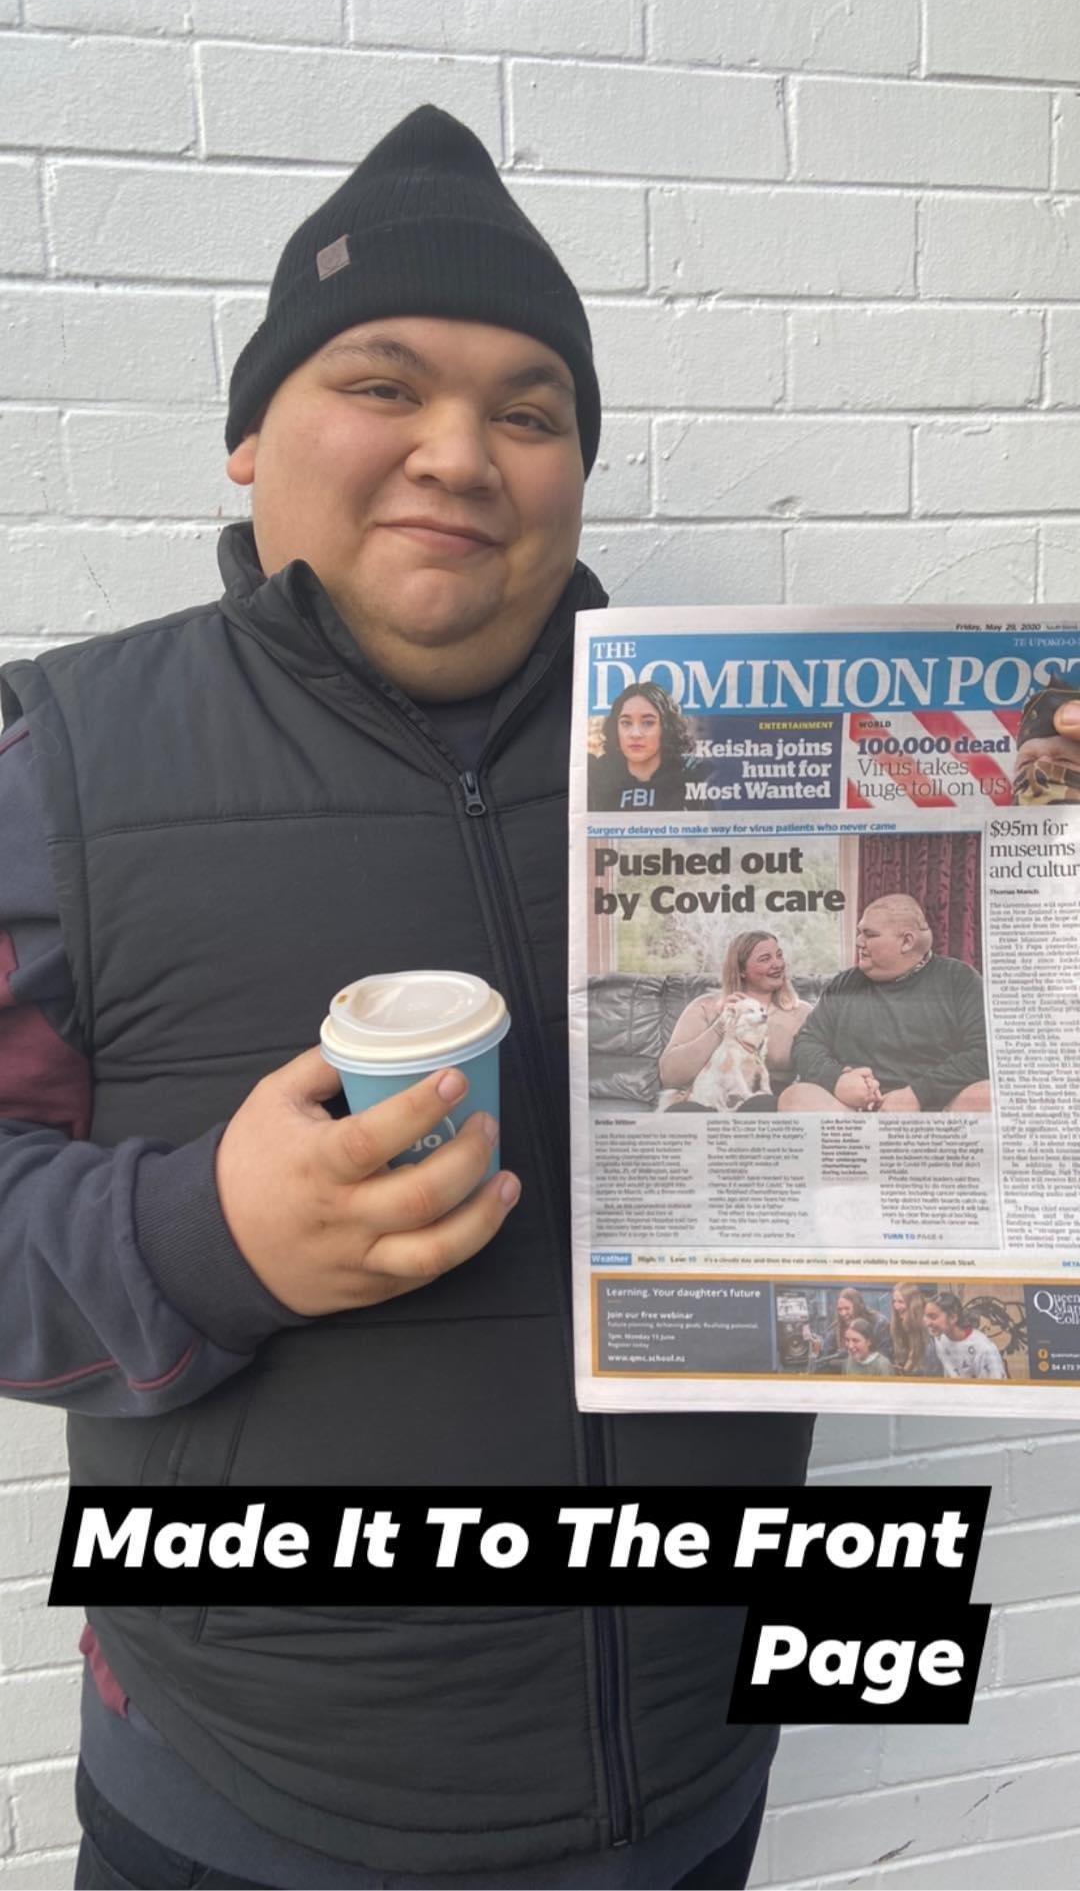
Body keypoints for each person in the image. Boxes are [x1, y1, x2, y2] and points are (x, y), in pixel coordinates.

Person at [0, 109, 813, 1891]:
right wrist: (205, 1237)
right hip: (251, 1817)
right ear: (249, 434)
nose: (460, 451)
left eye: (530, 410)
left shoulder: (743, 767)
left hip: (693, 1782)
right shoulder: (59, 766)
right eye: (383, 384)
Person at [779, 893, 991, 1115]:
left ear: (906, 942)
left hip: (934, 1111)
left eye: (869, 934)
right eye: (859, 932)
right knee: (796, 1097)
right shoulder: (844, 984)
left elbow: (985, 1051)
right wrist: (837, 1080)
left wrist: (918, 1094)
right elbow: (807, 1042)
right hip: (854, 1113)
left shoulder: (959, 979)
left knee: (988, 1095)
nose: (859, 941)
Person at [659, 931, 812, 1111]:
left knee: (759, 1105)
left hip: (767, 1103)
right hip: (710, 1100)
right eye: (765, 959)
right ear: (741, 970)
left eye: (779, 955)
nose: (777, 964)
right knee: (681, 1112)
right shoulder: (704, 1007)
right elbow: (669, 1076)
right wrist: (720, 1027)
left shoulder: (802, 1013)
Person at [588, 680, 700, 811]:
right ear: (615, 728)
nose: (635, 734)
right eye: (626, 723)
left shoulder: (692, 776)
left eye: (648, 723)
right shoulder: (594, 777)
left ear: (666, 727)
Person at [923, 1293, 1008, 1381]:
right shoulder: (940, 1337)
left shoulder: (985, 1349)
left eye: (933, 1317)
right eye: (925, 1316)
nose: (927, 1323)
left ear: (952, 1317)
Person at [809, 1287, 892, 1374]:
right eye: (840, 1309)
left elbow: (886, 1356)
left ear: (858, 1307)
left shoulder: (879, 1323)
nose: (843, 1313)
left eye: (847, 1308)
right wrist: (818, 1351)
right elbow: (824, 1358)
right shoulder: (836, 1328)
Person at [889, 1282, 944, 1378]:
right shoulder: (901, 1324)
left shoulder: (928, 1327)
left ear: (913, 1304)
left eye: (901, 1302)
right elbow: (912, 1354)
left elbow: (931, 1368)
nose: (896, 1306)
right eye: (894, 1301)